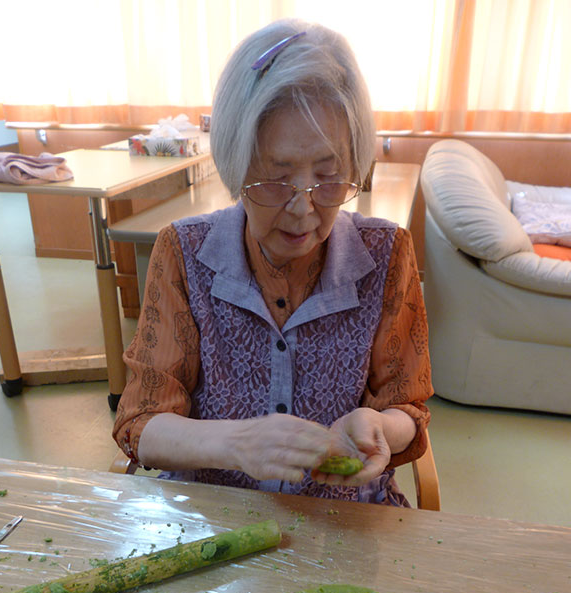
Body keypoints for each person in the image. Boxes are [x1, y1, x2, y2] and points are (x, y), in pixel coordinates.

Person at [113, 18, 432, 506]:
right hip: (216, 520)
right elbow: (140, 423)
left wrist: (381, 427)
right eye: (275, 180)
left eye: (330, 178)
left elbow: (407, 407)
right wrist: (235, 444)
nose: (304, 209)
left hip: (344, 522)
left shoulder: (387, 254)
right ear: (236, 165)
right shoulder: (184, 252)